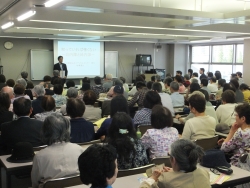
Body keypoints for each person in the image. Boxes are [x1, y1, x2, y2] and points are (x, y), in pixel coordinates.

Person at [31, 113, 84, 187]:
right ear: (67, 130)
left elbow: (35, 184)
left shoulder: (39, 156)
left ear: (45, 131)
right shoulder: (79, 149)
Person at [140, 139, 210, 188]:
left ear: (173, 160)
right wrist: (175, 172)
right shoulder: (204, 173)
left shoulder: (165, 180)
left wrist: (153, 178)